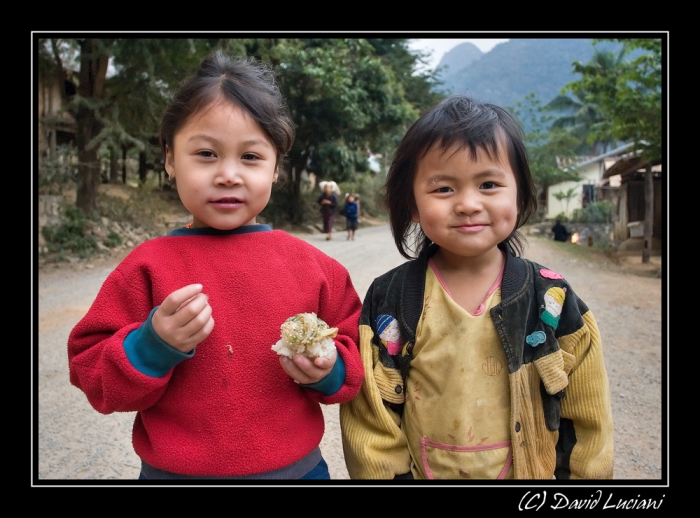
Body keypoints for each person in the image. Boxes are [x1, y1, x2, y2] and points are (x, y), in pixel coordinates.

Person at [67, 51, 364, 480]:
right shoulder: (147, 266)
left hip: (296, 473)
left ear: (277, 167)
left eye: (250, 157)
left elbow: (354, 367)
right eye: (206, 154)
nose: (228, 174)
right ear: (170, 159)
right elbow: (91, 372)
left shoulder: (317, 269)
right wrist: (149, 346)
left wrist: (328, 367)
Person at [339, 95, 614, 480]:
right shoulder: (393, 299)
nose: (468, 204)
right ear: (413, 205)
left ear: (518, 194)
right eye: (444, 189)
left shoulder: (551, 299)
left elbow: (588, 417)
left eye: (488, 183)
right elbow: (372, 420)